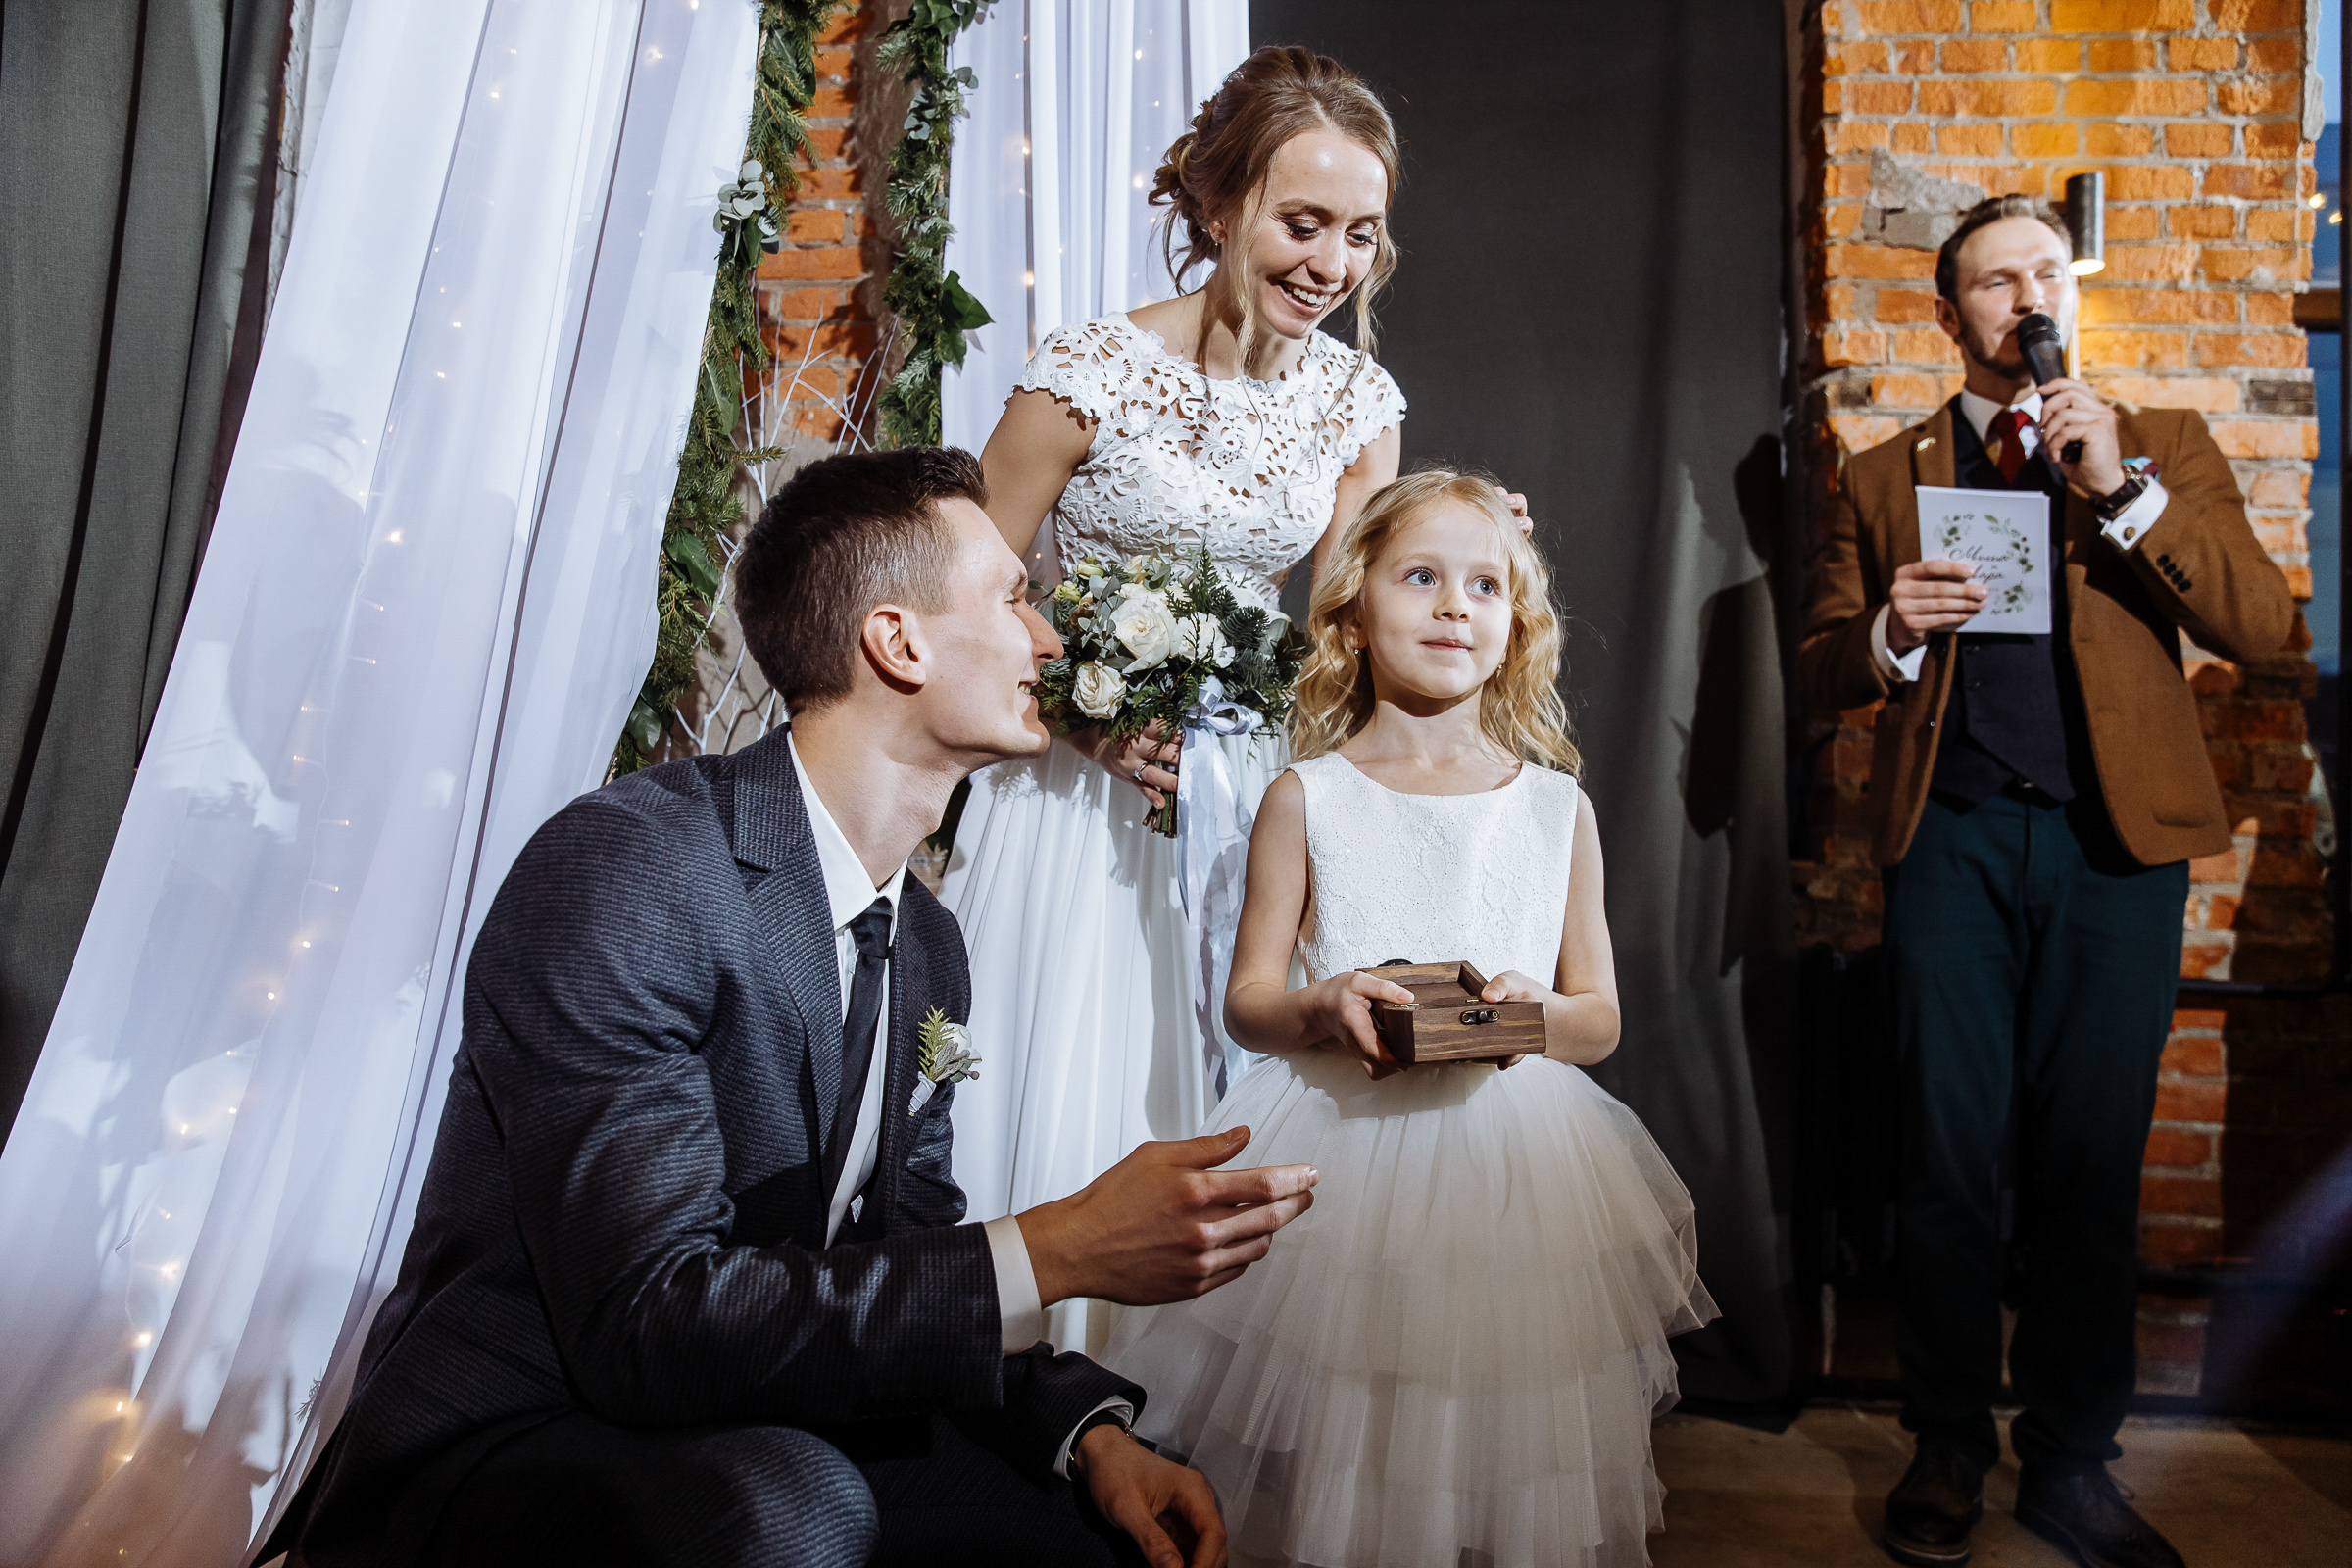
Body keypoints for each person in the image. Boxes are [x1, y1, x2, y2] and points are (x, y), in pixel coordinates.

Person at [261, 449, 1324, 1568]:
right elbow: (646, 1322)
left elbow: (906, 1251)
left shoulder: (929, 945)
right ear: (897, 640)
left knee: (1096, 1543)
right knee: (797, 1505)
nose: (1051, 641)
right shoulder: (632, 866)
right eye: (1016, 598)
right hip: (523, 1432)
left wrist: (1085, 1436)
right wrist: (1057, 1248)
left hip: (762, 1407)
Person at [1799, 196, 2293, 1568]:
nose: (2022, 297)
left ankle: (2073, 1462)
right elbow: (1821, 664)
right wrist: (1889, 638)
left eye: (2041, 274)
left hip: (2111, 852)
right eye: (1992, 281)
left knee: (2091, 1167)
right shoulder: (1885, 473)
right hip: (1950, 841)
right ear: (1948, 314)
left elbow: (2261, 627)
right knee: (1949, 1166)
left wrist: (2121, 492)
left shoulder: (2165, 444)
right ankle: (1948, 1444)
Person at [1103, 472, 1717, 1568]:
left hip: (1518, 1174)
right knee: (1355, 1443)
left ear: (1516, 626)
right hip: (1348, 1160)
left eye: (1484, 585)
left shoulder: (1553, 807)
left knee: (1497, 1438)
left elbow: (1600, 1017)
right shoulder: (1308, 797)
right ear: (1351, 612)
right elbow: (1247, 1003)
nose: (1453, 606)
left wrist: (1536, 1017)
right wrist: (1323, 1002)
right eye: (1421, 577)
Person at [936, 45, 1410, 1354]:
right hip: (1074, 807)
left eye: (1358, 234)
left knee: (1222, 1105)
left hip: (1247, 809)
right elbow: (964, 592)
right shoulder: (1085, 374)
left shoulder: (1357, 403)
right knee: (1070, 1097)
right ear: (1214, 206)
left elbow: (1340, 633)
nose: (1329, 262)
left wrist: (1447, 563)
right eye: (1300, 221)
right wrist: (1081, 710)